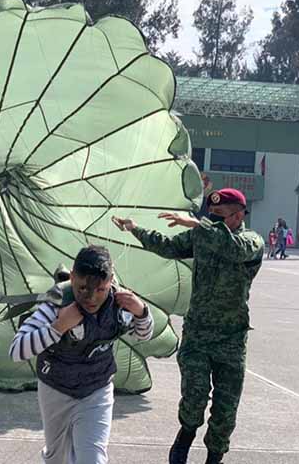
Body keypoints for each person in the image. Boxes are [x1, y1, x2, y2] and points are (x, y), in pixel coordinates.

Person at [112, 188, 264, 464]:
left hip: (231, 340)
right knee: (194, 397)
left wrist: (200, 224)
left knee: (225, 409)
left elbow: (233, 249)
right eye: (211, 215)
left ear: (238, 215)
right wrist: (135, 229)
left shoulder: (251, 241)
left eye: (220, 216)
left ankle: (215, 455)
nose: (213, 220)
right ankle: (186, 434)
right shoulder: (202, 235)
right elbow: (167, 246)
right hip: (197, 335)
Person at [9, 245, 154, 464]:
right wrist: (58, 327)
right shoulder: (57, 302)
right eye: (83, 288)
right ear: (73, 277)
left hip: (97, 389)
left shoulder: (119, 303)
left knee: (92, 459)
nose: (91, 298)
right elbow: (16, 351)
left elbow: (144, 335)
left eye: (101, 290)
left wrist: (141, 311)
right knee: (57, 458)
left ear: (111, 281)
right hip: (56, 388)